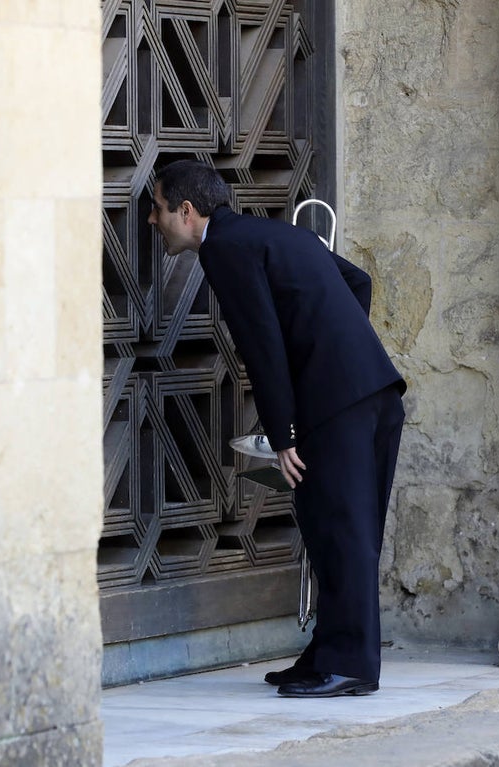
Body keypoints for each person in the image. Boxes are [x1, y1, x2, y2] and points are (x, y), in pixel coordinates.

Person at [147, 159, 406, 698]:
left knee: (342, 532)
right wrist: (339, 349)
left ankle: (353, 666)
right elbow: (356, 281)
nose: (153, 220)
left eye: (158, 208)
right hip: (369, 393)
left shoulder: (226, 249)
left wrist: (284, 434)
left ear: (187, 212)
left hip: (339, 405)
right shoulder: (271, 234)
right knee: (331, 528)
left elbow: (263, 349)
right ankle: (327, 654)